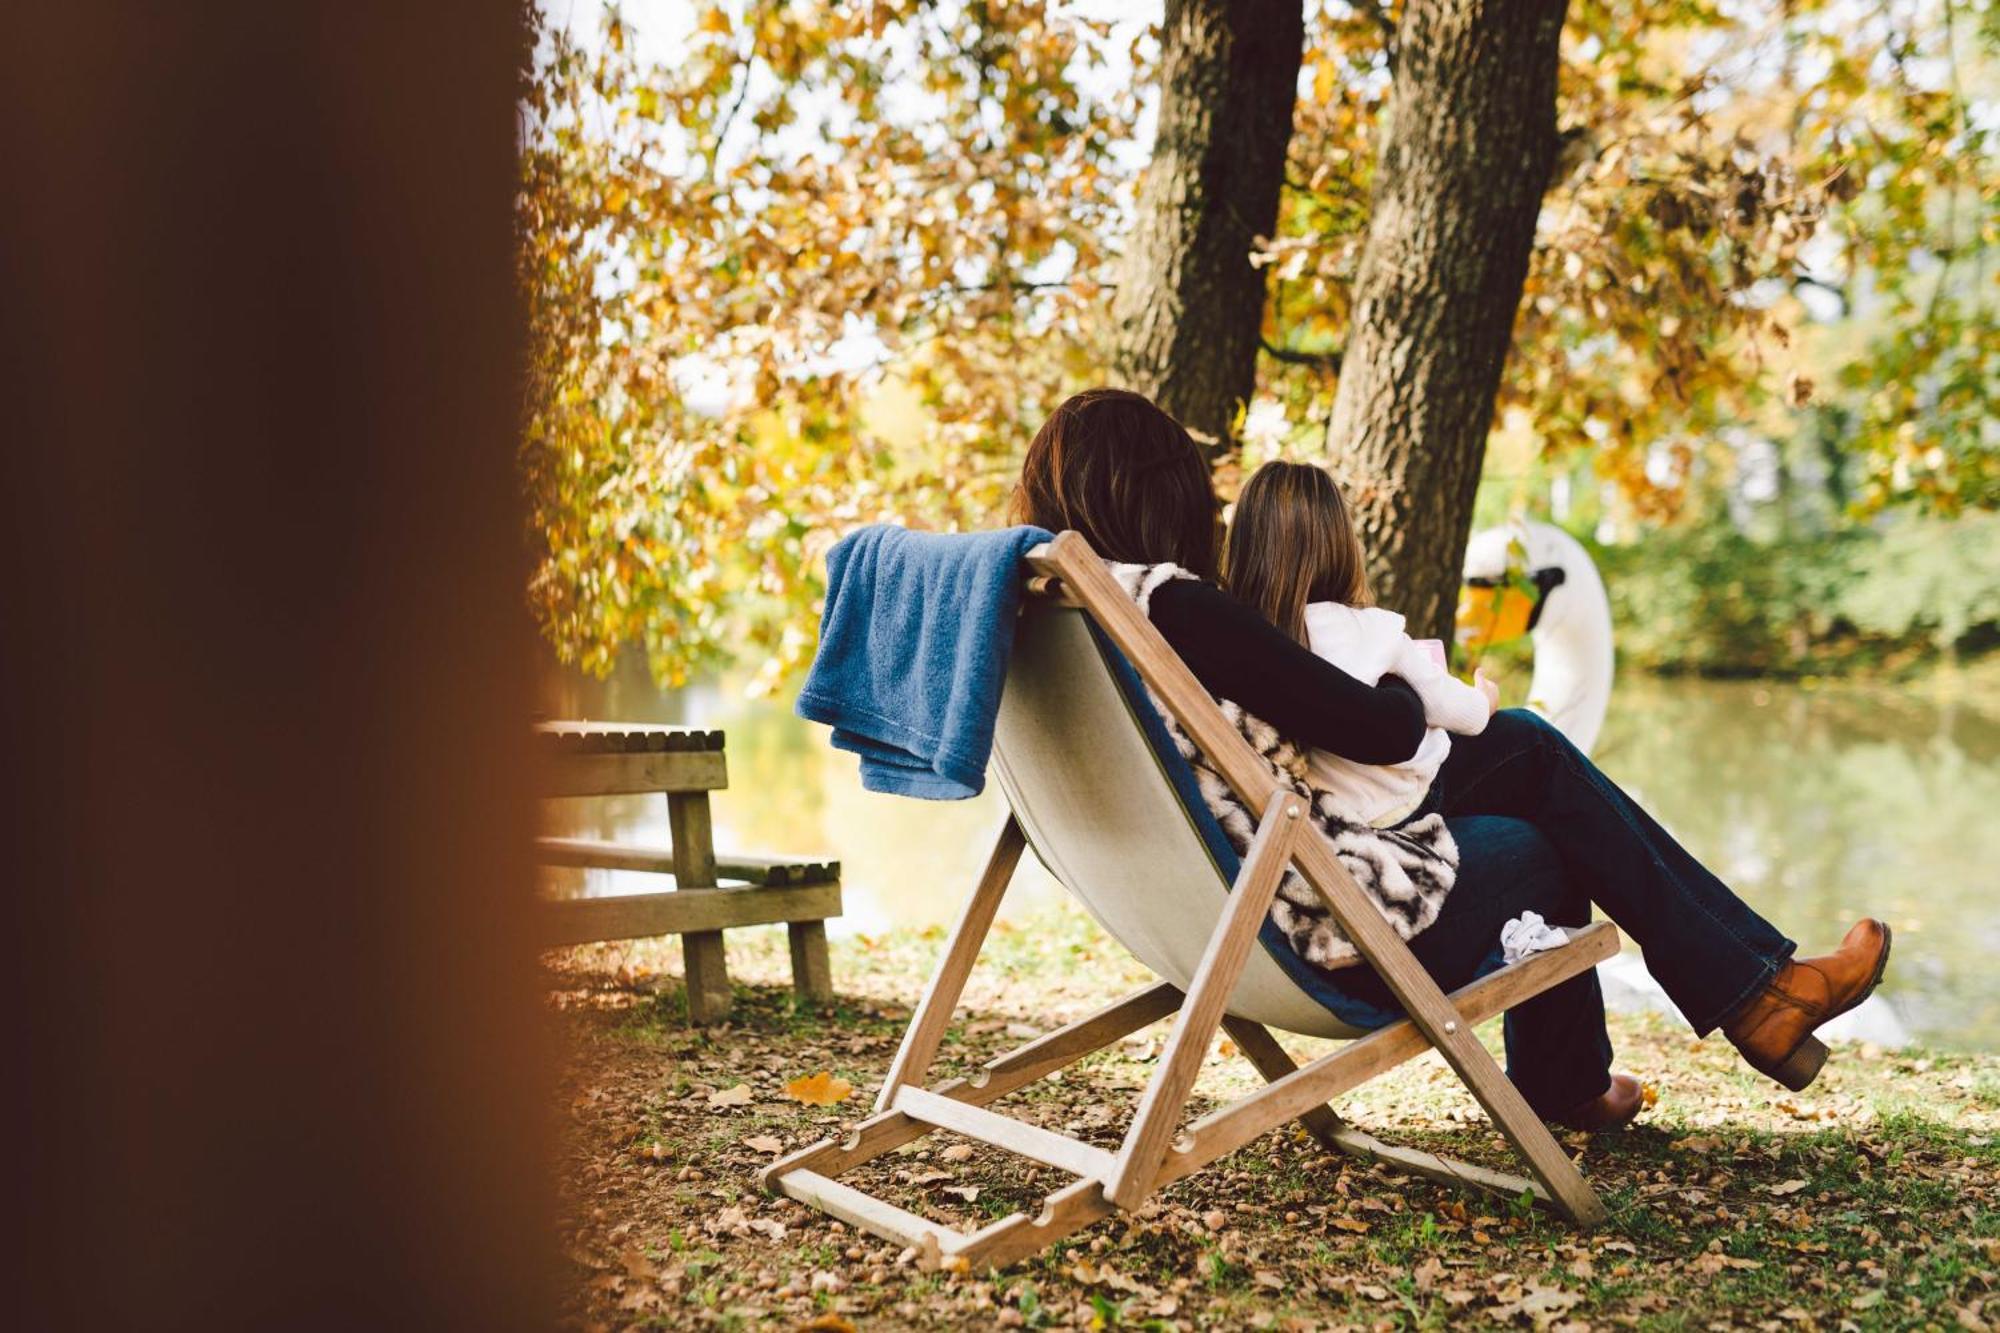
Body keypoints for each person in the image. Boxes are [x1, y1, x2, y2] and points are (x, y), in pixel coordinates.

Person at [1011, 387, 1892, 1131]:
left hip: (1197, 915)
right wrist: (1408, 678)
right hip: (1320, 923)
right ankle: (1724, 1009)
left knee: (1527, 762)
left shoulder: (1044, 611)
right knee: (1537, 807)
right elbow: (1380, 730)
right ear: (1159, 496)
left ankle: (1712, 1013)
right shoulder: (1176, 607)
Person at [1227, 459, 1498, 830]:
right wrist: (1485, 698)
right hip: (1402, 806)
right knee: (1531, 741)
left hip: (1331, 819)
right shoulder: (1369, 630)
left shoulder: (1239, 643)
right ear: (1339, 545)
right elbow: (1456, 710)